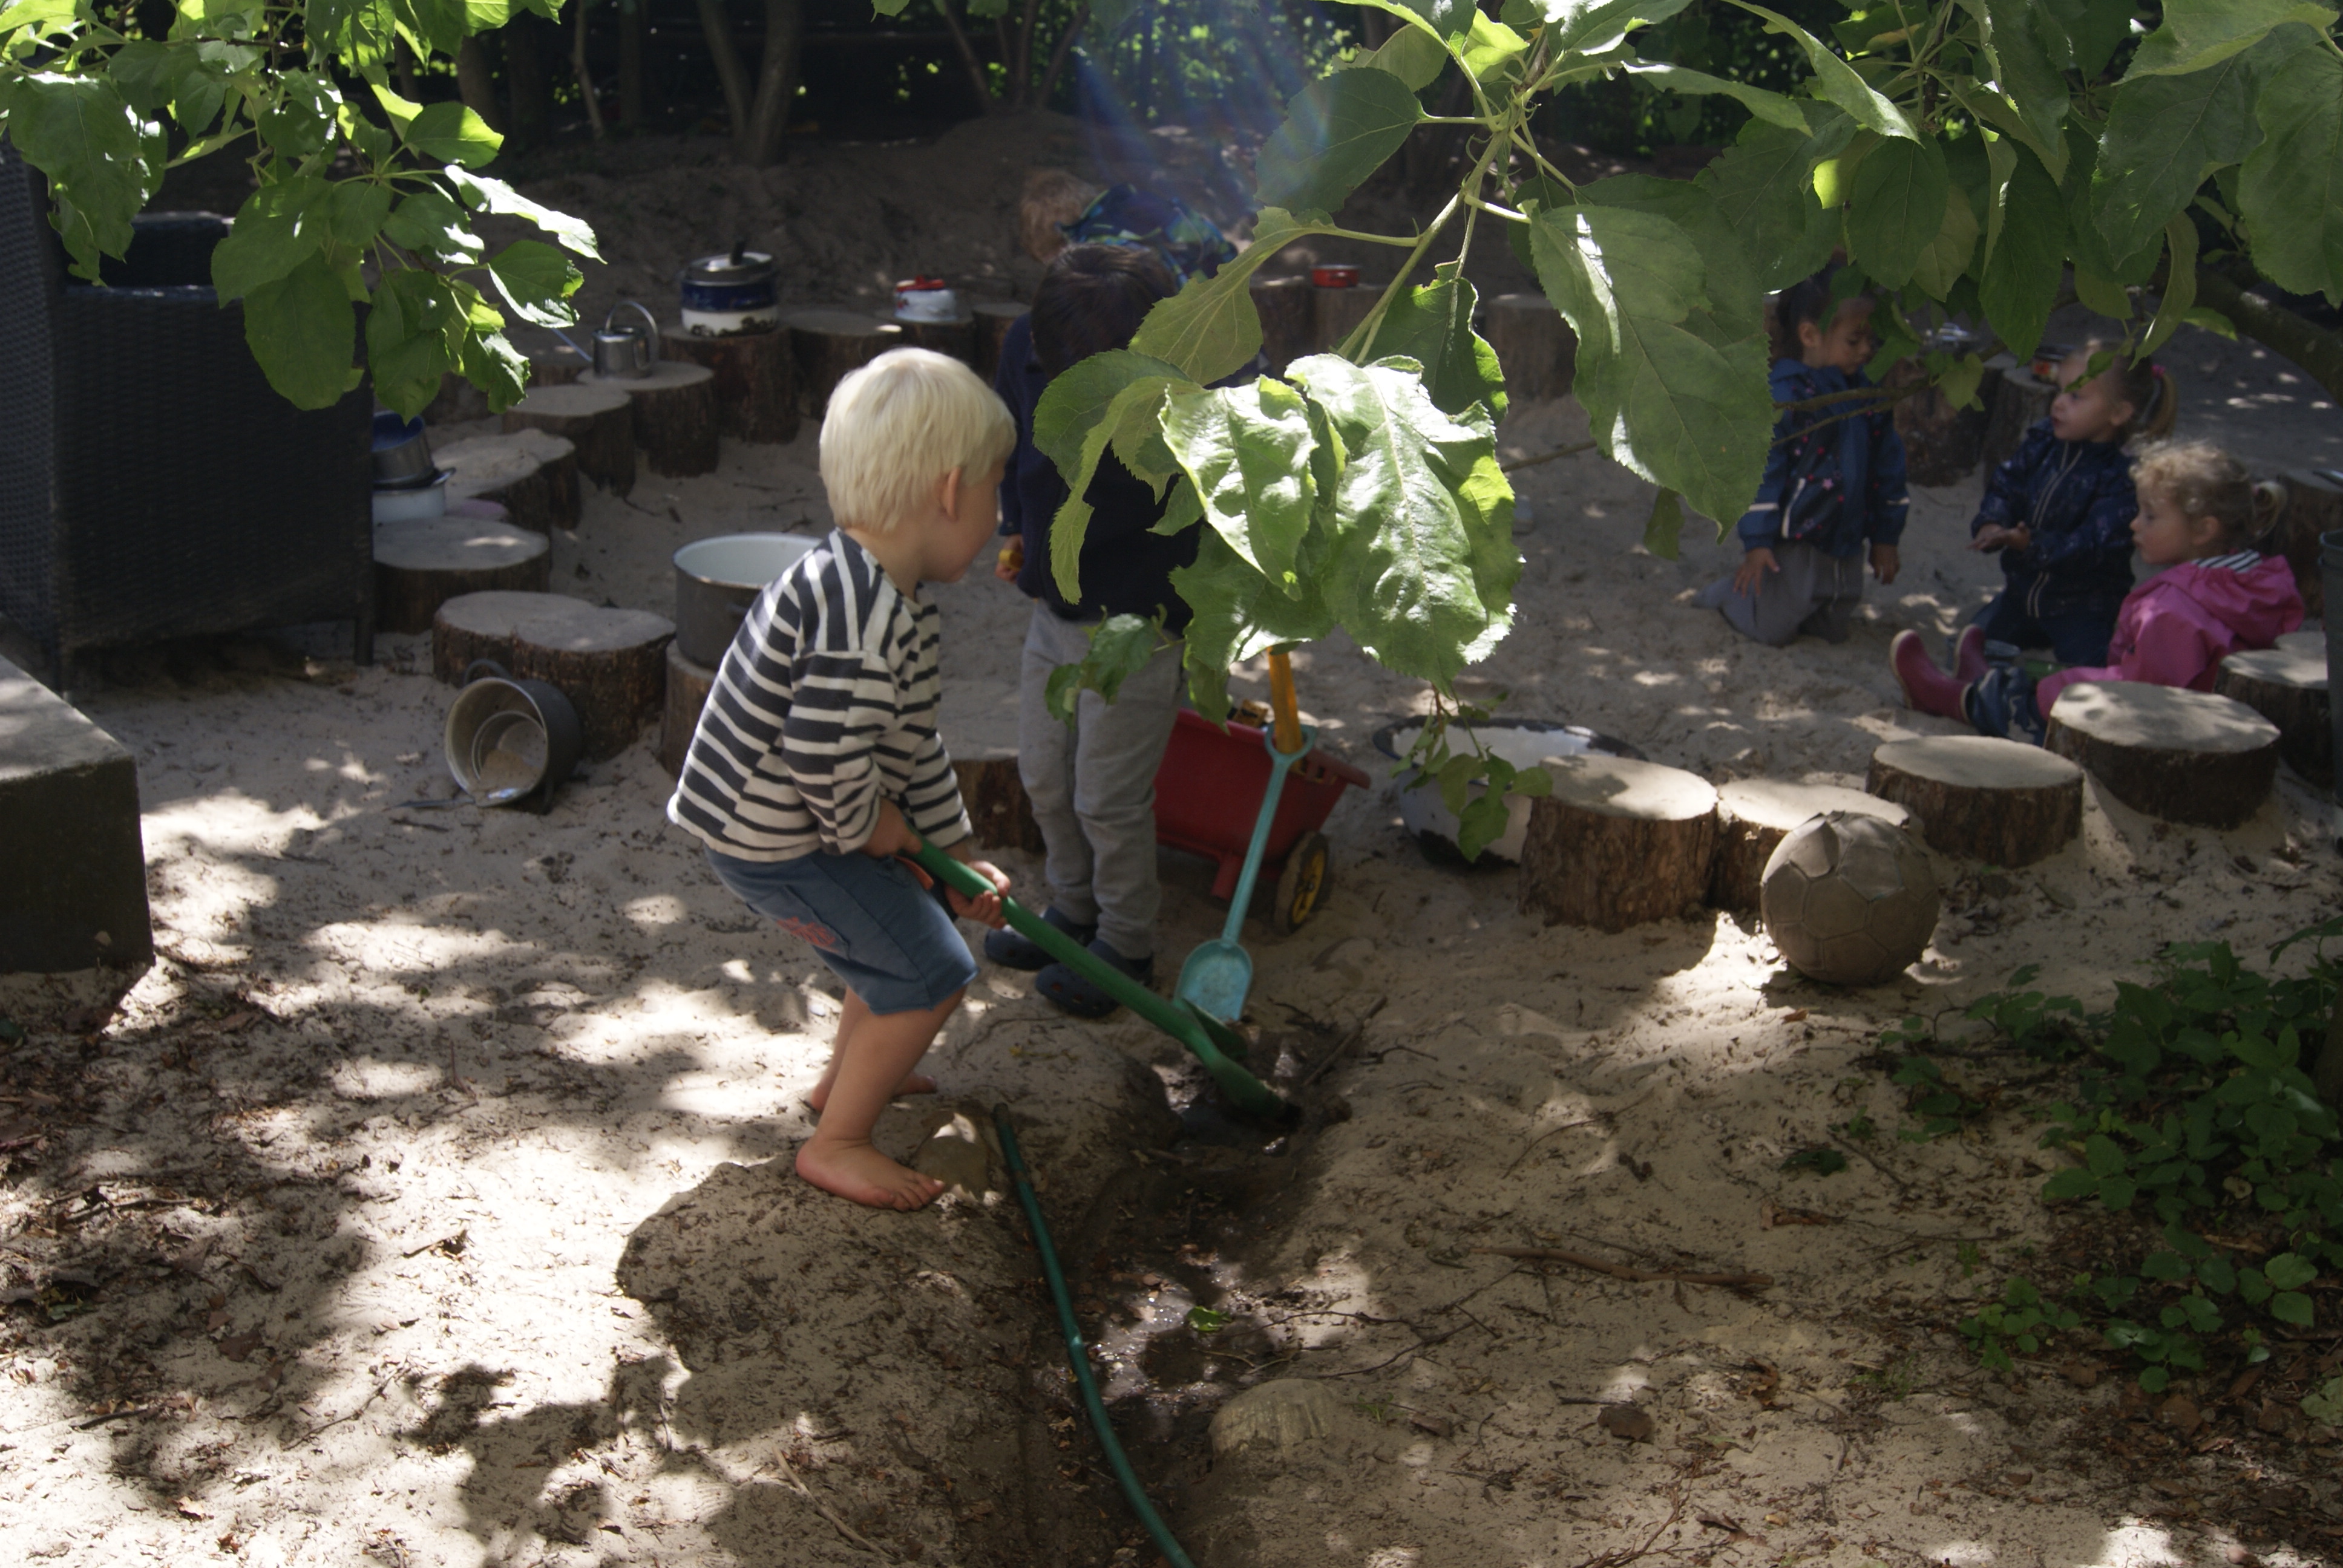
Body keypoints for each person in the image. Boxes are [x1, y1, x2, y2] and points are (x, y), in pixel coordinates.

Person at [667, 348, 1016, 1212]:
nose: (1000, 512)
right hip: (776, 840)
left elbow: (908, 744)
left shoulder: (884, 591)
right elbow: (825, 757)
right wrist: (886, 836)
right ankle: (839, 1143)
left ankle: (846, 1087)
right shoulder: (858, 610)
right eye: (994, 490)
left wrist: (952, 858)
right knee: (932, 969)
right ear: (948, 492)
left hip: (800, 821)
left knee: (907, 926)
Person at [988, 243, 1201, 1019]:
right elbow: (1017, 447)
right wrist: (1016, 527)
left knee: (1106, 798)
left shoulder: (1183, 385)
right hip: (1054, 606)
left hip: (1142, 620)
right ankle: (1071, 913)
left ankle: (1127, 943)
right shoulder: (1027, 345)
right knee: (1045, 776)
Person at [1893, 442, 2302, 741]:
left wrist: (2070, 685)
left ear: (2204, 529)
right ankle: (1978, 680)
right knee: (2042, 679)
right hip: (2211, 722)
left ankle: (1944, 696)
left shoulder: (2174, 610)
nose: (2135, 525)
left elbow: (2140, 699)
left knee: (2036, 695)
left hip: (2148, 733)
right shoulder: (2257, 582)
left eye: (2152, 516)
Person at [1695, 269, 1909, 645]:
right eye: (1854, 340)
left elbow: (1888, 467)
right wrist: (1758, 542)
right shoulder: (1786, 395)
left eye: (1870, 340)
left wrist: (1886, 536)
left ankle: (1809, 610)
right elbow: (1762, 471)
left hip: (1846, 535)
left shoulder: (1867, 397)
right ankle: (1731, 595)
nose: (1865, 350)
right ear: (1810, 335)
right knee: (1772, 630)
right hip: (1797, 539)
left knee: (1833, 627)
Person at [1950, 341, 2178, 678]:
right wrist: (1992, 522)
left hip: (2082, 607)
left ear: (2118, 414)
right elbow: (2007, 484)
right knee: (1965, 652)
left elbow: (2093, 546)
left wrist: (2032, 544)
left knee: (2092, 675)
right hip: (2021, 594)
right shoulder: (2043, 441)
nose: (2058, 404)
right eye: (2059, 392)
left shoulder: (2121, 476)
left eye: (2076, 397)